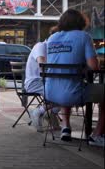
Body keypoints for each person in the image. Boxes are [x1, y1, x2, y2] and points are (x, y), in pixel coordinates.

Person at [46, 9, 104, 146]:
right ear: (81, 22)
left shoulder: (52, 38)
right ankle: (96, 135)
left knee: (67, 83)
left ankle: (66, 127)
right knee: (102, 94)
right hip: (73, 94)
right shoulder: (84, 36)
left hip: (50, 93)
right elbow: (94, 67)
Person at [25, 28, 60, 132]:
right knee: (65, 93)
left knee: (67, 91)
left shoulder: (51, 49)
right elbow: (42, 66)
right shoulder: (40, 46)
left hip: (46, 82)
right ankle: (39, 112)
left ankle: (49, 114)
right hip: (34, 83)